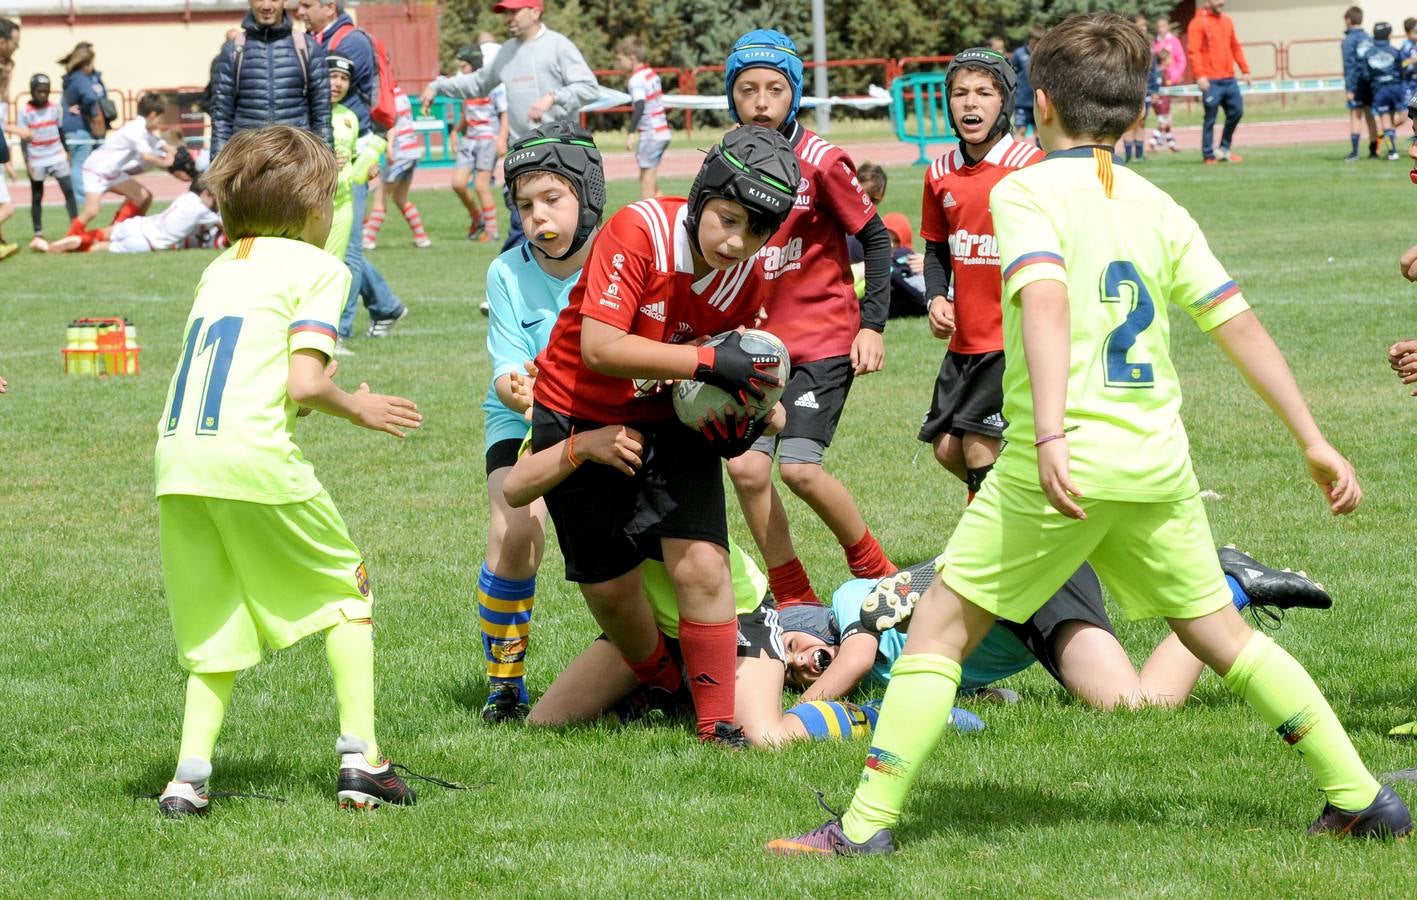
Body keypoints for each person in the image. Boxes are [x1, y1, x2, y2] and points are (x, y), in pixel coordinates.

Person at [769, 13, 1411, 856]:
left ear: (1036, 104)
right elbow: (1236, 322)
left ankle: (862, 828)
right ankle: (1360, 797)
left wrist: (1047, 437)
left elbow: (1042, 299)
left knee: (937, 631)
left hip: (1062, 465)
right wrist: (1311, 438)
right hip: (1155, 464)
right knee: (1224, 639)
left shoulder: (1025, 190)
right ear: (1137, 114)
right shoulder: (1156, 203)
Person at [152, 125, 422, 817]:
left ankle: (187, 778)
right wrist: (356, 407)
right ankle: (362, 759)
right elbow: (304, 381)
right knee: (346, 592)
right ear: (311, 207)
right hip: (251, 456)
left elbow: (249, 369)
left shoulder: (221, 266)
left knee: (214, 620)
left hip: (180, 460)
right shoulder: (319, 267)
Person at [528, 126, 799, 748]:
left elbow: (729, 379)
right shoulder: (640, 229)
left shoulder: (748, 276)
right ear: (701, 197)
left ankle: (715, 727)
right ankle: (663, 685)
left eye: (756, 232)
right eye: (728, 220)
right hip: (578, 414)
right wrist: (709, 363)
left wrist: (743, 420)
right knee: (611, 589)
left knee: (701, 563)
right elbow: (600, 349)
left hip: (668, 420)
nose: (736, 242)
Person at [501, 421, 910, 747]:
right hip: (649, 625)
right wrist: (581, 445)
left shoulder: (658, 414)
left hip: (733, 614)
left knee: (764, 738)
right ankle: (664, 690)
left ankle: (874, 715)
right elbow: (516, 488)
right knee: (546, 724)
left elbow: (773, 417)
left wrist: (756, 403)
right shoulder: (565, 417)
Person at [722, 29, 896, 608]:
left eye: (775, 89)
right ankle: (793, 593)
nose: (761, 102)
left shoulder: (821, 161)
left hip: (822, 341)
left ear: (793, 94)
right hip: (757, 346)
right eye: (748, 89)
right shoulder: (727, 159)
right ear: (731, 96)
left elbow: (876, 238)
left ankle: (877, 569)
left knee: (797, 468)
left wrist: (872, 325)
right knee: (746, 471)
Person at [792, 550, 1334, 713]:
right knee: (1143, 705)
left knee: (1134, 708)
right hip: (1019, 614)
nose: (800, 661)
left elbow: (854, 658)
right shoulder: (879, 680)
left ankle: (1226, 585)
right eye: (793, 675)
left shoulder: (850, 603)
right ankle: (1229, 584)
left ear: (808, 623)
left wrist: (791, 719)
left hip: (1032, 581)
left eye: (793, 646)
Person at [474, 123, 605, 723]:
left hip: (602, 415)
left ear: (589, 194)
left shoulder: (618, 258)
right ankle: (504, 685)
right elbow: (507, 375)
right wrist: (524, 392)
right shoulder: (505, 272)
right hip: (521, 418)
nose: (538, 216)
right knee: (514, 531)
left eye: (552, 199)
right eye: (525, 205)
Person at [916, 48, 1042, 501]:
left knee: (976, 447)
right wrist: (936, 298)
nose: (971, 102)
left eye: (985, 93)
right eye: (960, 93)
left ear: (1004, 101)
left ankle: (989, 544)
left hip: (1010, 337)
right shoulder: (939, 173)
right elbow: (936, 248)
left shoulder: (1031, 166)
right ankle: (1027, 507)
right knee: (946, 447)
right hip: (965, 339)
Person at [420, 0, 600, 251]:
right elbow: (477, 84)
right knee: (529, 240)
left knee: (565, 243)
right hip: (524, 161)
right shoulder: (507, 52)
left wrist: (553, 98)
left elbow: (589, 88)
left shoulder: (558, 45)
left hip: (561, 160)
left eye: (515, 11)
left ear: (535, 12)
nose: (509, 18)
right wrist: (438, 85)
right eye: (506, 13)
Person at [324, 56, 404, 342]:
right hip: (314, 202)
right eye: (332, 76)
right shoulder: (310, 113)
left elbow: (354, 159)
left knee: (346, 261)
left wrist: (366, 168)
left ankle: (340, 330)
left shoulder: (350, 117)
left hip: (345, 202)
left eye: (343, 79)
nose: (337, 83)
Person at [210, 0, 331, 159]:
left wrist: (326, 160)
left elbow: (322, 114)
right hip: (248, 161)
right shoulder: (232, 51)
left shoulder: (308, 48)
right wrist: (218, 164)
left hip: (296, 160)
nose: (266, 6)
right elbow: (221, 117)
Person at [33, 177, 219, 254]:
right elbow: (224, 225)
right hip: (148, 242)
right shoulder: (203, 211)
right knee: (100, 248)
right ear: (205, 194)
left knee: (102, 233)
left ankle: (55, 244)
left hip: (140, 225)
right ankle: (72, 247)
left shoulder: (186, 198)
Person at [72, 93, 175, 232]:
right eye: (161, 118)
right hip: (97, 170)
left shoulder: (142, 128)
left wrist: (171, 149)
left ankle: (118, 231)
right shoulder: (136, 129)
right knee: (91, 211)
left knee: (144, 196)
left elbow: (156, 142)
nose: (160, 122)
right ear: (153, 115)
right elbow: (146, 156)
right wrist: (166, 163)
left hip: (111, 172)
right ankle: (70, 237)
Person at [448, 45, 508, 243]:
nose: (461, 70)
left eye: (464, 66)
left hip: (488, 140)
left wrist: (502, 139)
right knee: (458, 184)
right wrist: (455, 131)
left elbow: (504, 113)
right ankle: (477, 218)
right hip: (469, 140)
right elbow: (466, 114)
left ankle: (492, 232)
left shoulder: (493, 85)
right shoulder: (466, 85)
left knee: (481, 185)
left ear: (474, 64)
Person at [361, 86, 430, 250]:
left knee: (380, 196)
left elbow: (390, 123)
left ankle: (368, 239)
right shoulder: (401, 93)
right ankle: (422, 238)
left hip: (400, 152)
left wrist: (389, 148)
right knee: (400, 198)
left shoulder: (386, 96)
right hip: (412, 150)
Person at [15, 74, 80, 241]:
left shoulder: (55, 108)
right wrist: (27, 161)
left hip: (56, 155)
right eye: (39, 91)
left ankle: (76, 227)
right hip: (36, 158)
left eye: (45, 91)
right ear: (32, 91)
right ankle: (38, 233)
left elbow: (60, 131)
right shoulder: (25, 111)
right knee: (37, 196)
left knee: (69, 190)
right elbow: (23, 138)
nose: (42, 94)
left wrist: (67, 151)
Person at [1188, 0, 1250, 164]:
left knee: (1237, 112)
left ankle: (1224, 149)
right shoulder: (1197, 23)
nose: (1222, 2)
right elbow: (1194, 51)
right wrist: (1200, 75)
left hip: (1229, 79)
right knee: (1210, 118)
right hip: (1211, 81)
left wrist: (1245, 69)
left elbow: (1235, 46)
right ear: (1207, 2)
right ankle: (1208, 155)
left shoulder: (1227, 21)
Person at [615, 36, 672, 200]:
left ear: (632, 59)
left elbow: (639, 106)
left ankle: (650, 213)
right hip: (662, 132)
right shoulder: (651, 74)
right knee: (650, 180)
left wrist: (630, 132)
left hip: (651, 134)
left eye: (621, 59)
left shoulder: (636, 80)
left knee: (646, 183)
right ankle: (664, 209)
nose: (619, 63)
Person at [58, 42, 113, 207]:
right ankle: (81, 199)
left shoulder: (71, 78)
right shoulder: (81, 79)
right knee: (79, 163)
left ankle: (83, 197)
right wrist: (94, 114)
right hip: (79, 128)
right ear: (85, 64)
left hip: (73, 128)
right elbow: (89, 98)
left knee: (80, 162)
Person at [1359, 22, 1406, 160]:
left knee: (1386, 120)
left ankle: (1390, 146)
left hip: (1379, 91)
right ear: (1389, 35)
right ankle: (1391, 149)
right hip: (1395, 89)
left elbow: (1365, 75)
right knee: (1403, 116)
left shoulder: (1368, 54)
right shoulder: (1394, 51)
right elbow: (1402, 70)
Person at [1342, 6, 1380, 162]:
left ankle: (1355, 152)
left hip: (1357, 84)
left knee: (1356, 116)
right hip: (1370, 83)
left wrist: (1350, 88)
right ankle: (1374, 151)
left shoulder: (1348, 40)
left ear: (1348, 20)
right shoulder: (1368, 38)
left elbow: (1349, 66)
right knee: (1370, 116)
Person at [1123, 14, 1159, 164]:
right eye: (1141, 25)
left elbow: (1153, 71)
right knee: (1130, 123)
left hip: (1147, 91)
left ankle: (1139, 155)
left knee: (1142, 122)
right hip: (1130, 91)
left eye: (1145, 25)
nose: (1144, 28)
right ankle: (1128, 155)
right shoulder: (1126, 46)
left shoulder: (1149, 47)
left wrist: (1155, 90)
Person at [1149, 16, 1186, 152]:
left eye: (1164, 26)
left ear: (1168, 26)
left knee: (1165, 116)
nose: (1161, 29)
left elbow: (1181, 60)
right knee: (1163, 117)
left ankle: (1169, 143)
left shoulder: (1174, 41)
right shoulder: (1154, 43)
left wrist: (1173, 77)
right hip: (1158, 88)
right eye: (1159, 26)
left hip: (1169, 84)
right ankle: (1155, 142)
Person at [1010, 25, 1043, 142]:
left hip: (1039, 101)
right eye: (1035, 41)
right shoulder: (1019, 54)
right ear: (1030, 39)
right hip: (1022, 101)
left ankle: (1039, 152)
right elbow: (1011, 73)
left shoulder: (1043, 54)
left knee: (1038, 131)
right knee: (1021, 130)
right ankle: (1017, 153)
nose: (1037, 44)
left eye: (1040, 41)